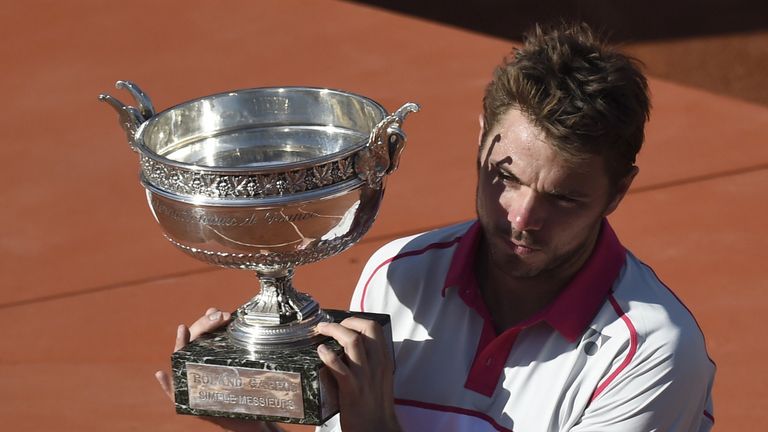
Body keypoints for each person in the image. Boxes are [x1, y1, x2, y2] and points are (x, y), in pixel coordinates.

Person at [156, 22, 716, 431]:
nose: (521, 218)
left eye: (565, 199)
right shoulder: (395, 275)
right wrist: (255, 423)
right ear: (480, 140)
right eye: (506, 177)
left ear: (618, 191)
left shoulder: (651, 352)